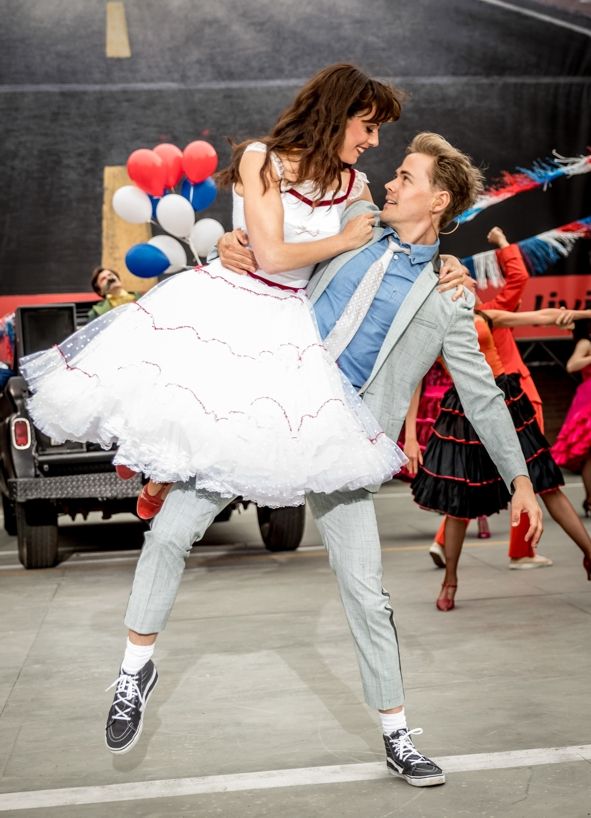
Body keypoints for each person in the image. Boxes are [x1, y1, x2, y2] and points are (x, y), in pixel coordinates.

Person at [213, 131, 542, 785]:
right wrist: (228, 247)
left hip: (343, 449)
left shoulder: (448, 295)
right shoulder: (349, 226)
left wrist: (520, 480)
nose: (389, 181)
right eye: (390, 171)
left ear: (438, 200)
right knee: (179, 514)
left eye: (405, 176)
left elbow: (480, 396)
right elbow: (273, 234)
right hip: (273, 409)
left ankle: (396, 737)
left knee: (367, 595)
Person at [411, 304, 591, 612]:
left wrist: (583, 314)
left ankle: (589, 553)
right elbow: (413, 380)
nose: (468, 279)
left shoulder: (483, 315)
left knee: (545, 484)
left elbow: (538, 317)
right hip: (466, 409)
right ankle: (450, 580)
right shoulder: (432, 321)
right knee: (460, 501)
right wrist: (411, 438)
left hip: (506, 401)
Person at [426, 227, 553, 568]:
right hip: (512, 398)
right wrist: (503, 245)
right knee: (532, 474)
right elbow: (520, 279)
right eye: (465, 278)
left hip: (476, 402)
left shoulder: (476, 315)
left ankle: (444, 543)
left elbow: (543, 315)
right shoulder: (486, 313)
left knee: (474, 476)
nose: (472, 283)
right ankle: (522, 551)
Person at [551, 320, 591, 515]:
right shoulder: (586, 343)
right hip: (588, 397)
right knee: (590, 456)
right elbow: (572, 365)